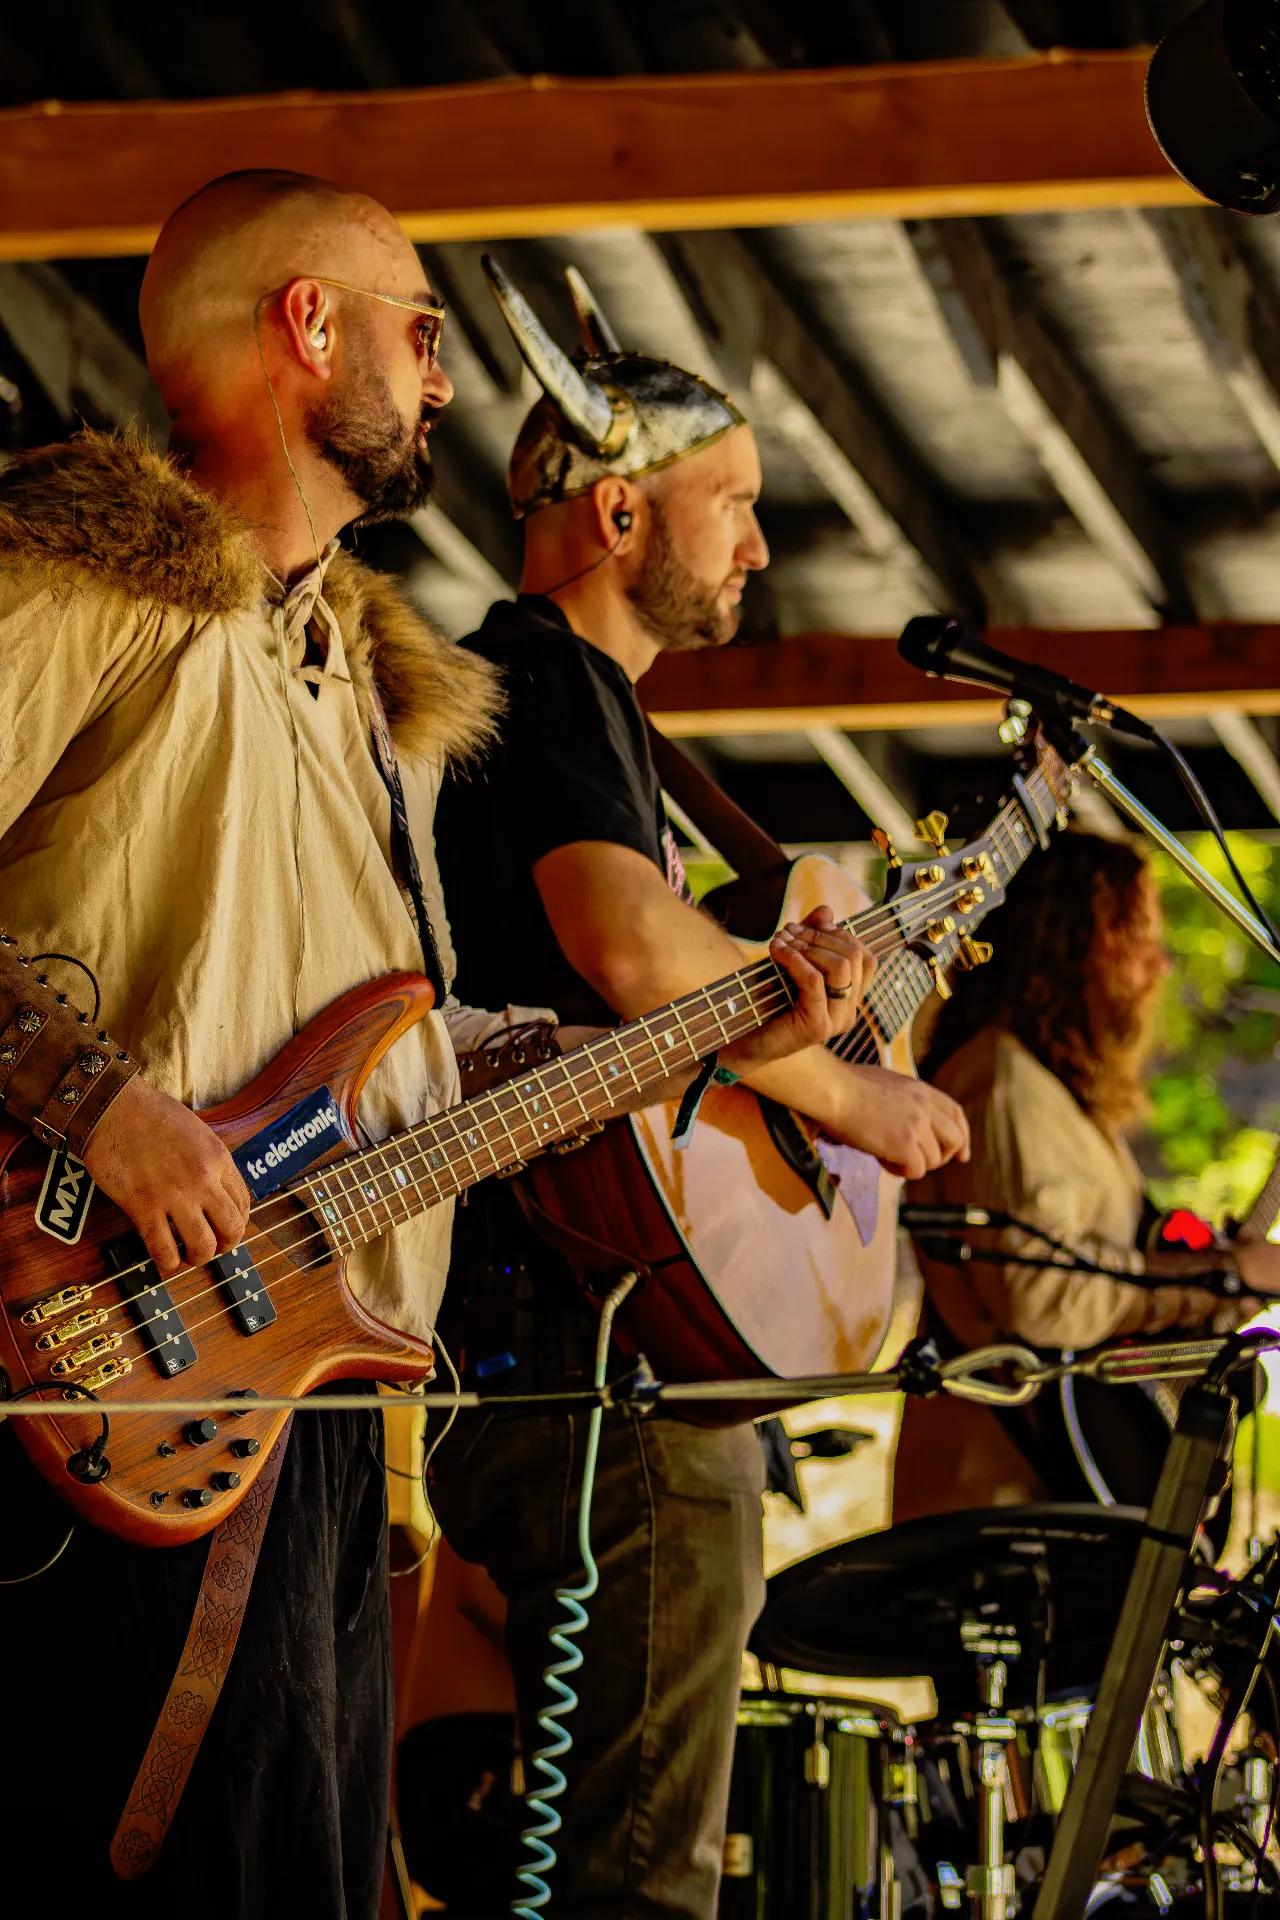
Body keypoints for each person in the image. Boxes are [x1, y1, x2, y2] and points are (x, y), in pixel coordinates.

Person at [0, 175, 870, 1919]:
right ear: (303, 329)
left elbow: (377, 1046)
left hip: (318, 1414)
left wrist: (696, 1034)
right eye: (420, 331)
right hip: (98, 1385)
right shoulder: (70, 582)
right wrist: (91, 1102)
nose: (450, 383)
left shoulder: (366, 689)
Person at [427, 258, 971, 1920]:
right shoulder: (544, 681)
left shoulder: (578, 707)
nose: (751, 543)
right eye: (725, 502)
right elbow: (629, 954)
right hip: (587, 1365)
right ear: (612, 519)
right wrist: (847, 1097)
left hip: (583, 1346)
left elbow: (666, 962)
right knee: (637, 1880)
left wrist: (790, 994)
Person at [893, 828, 1280, 1525]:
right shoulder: (1005, 1083)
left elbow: (1100, 1278)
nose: (1159, 965)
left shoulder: (1048, 1089)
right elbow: (1043, 1301)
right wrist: (1222, 1275)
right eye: (1136, 936)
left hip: (1051, 1506)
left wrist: (1215, 1286)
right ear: (1069, 942)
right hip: (1003, 1512)